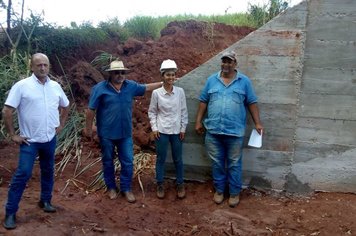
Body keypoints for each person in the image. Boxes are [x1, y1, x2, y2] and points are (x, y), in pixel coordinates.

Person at [2, 53, 70, 230]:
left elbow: (66, 105)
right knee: (23, 174)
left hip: (49, 139)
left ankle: (45, 201)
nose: (42, 68)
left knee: (48, 170)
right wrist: (13, 135)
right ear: (32, 67)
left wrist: (61, 124)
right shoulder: (22, 86)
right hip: (29, 141)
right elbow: (7, 110)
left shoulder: (55, 86)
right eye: (39, 65)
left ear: (49, 67)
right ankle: (10, 212)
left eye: (45, 65)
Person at [85, 60, 163, 203]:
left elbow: (146, 87)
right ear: (110, 74)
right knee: (108, 161)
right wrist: (88, 129)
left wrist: (164, 83)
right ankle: (111, 188)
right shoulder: (100, 89)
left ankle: (126, 188)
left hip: (125, 134)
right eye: (117, 72)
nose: (120, 75)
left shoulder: (130, 86)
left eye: (122, 72)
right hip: (106, 134)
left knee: (127, 161)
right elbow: (90, 110)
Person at [195, 51, 263, 207]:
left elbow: (252, 102)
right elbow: (203, 101)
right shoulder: (212, 80)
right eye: (223, 61)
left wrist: (257, 123)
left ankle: (234, 193)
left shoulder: (244, 81)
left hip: (234, 132)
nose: (226, 64)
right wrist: (198, 121)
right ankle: (219, 190)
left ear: (235, 64)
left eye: (229, 62)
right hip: (213, 131)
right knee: (217, 163)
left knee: (234, 163)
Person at [148, 59, 188, 199]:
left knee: (178, 159)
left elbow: (184, 111)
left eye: (173, 75)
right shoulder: (156, 93)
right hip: (162, 131)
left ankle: (180, 183)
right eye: (168, 75)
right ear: (162, 76)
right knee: (161, 158)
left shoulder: (180, 92)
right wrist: (154, 128)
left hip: (177, 131)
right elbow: (152, 112)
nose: (171, 77)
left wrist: (183, 128)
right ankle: (160, 183)